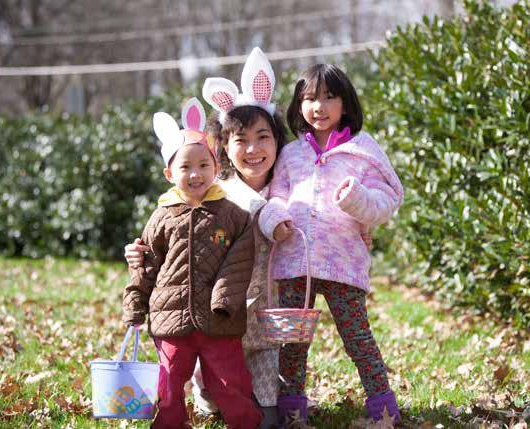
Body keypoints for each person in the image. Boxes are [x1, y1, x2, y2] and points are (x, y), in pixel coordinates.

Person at [124, 47, 287, 429]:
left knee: (236, 384)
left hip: (236, 318)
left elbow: (240, 257)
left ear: (215, 165)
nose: (195, 174)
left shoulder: (239, 206)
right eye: (186, 167)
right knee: (173, 380)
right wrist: (135, 292)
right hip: (183, 317)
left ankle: (249, 414)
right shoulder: (168, 211)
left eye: (203, 166)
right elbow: (150, 258)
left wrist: (223, 299)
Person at [257, 63, 404, 425]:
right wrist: (275, 219)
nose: (318, 107)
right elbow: (276, 196)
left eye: (329, 97)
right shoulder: (291, 154)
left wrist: (357, 199)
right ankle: (292, 412)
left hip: (343, 263)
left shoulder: (362, 150)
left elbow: (386, 201)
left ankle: (383, 409)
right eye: (309, 98)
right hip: (295, 263)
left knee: (358, 339)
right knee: (291, 343)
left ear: (345, 103)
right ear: (299, 105)